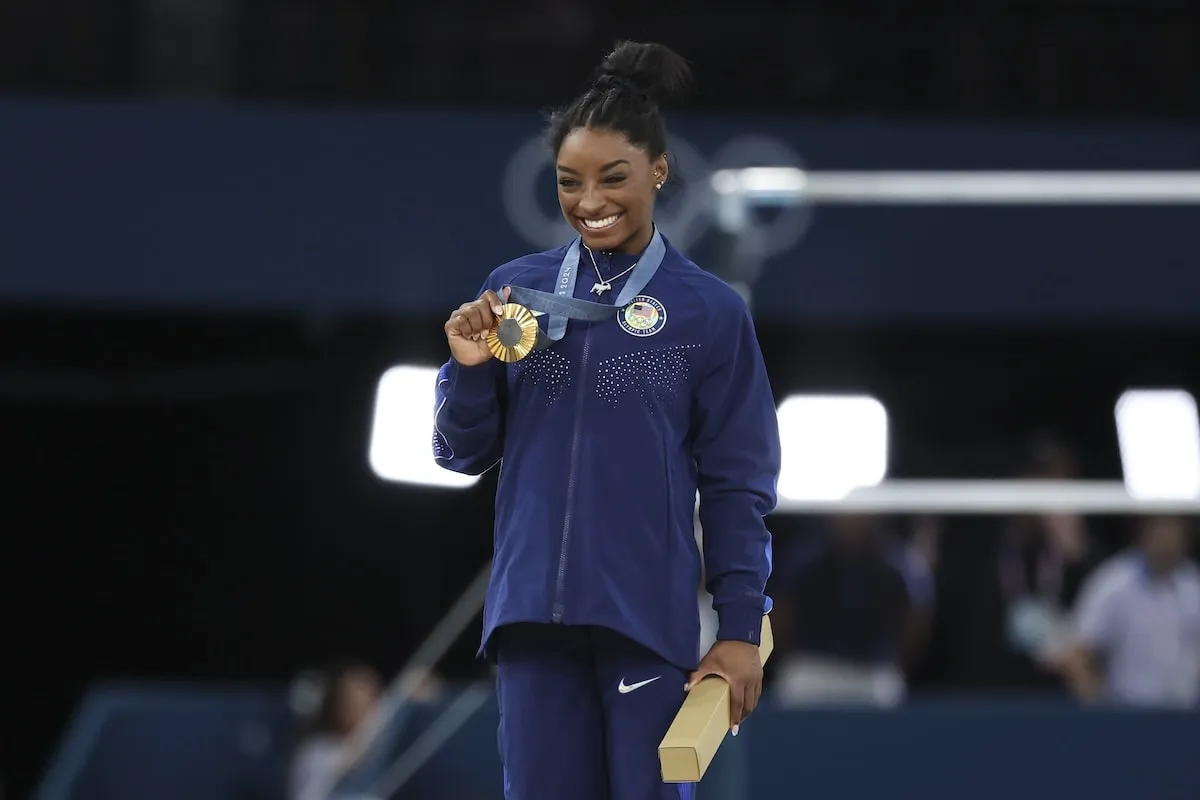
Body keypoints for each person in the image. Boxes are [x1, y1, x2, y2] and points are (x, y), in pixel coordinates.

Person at [432, 40, 781, 800]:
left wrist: (740, 626)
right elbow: (459, 454)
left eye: (612, 177)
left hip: (644, 622)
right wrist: (467, 369)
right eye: (569, 181)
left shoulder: (708, 313)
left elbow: (738, 485)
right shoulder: (512, 293)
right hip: (528, 622)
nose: (589, 200)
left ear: (658, 170)